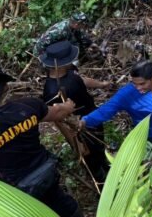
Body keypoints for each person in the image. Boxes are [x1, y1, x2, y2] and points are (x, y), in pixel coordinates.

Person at [0, 68, 81, 217]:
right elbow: (58, 112)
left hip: (16, 191)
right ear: (5, 87)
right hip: (45, 171)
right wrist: (68, 106)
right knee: (62, 204)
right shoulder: (27, 107)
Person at [41, 41, 109, 183]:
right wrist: (75, 143)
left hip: (92, 117)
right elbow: (59, 120)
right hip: (81, 129)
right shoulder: (53, 91)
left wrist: (102, 84)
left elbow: (82, 80)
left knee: (99, 149)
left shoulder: (69, 71)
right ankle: (102, 183)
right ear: (59, 63)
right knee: (91, 159)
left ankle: (107, 167)